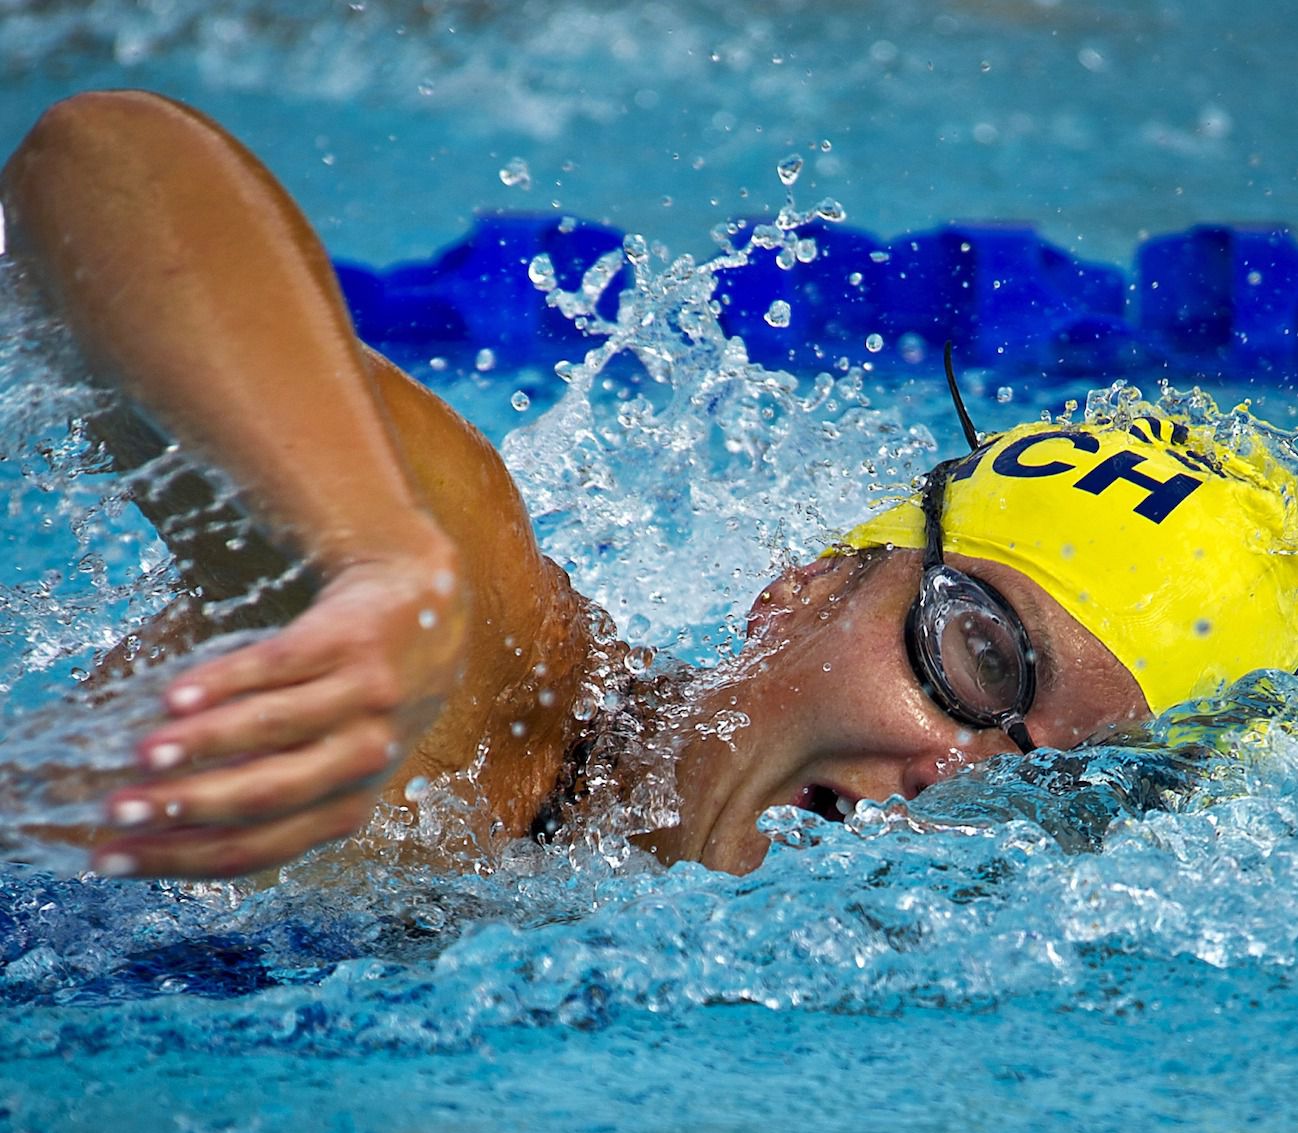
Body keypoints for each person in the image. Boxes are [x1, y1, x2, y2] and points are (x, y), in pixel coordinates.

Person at [2, 90, 1295, 883]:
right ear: (800, 590)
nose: (960, 777)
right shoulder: (472, 669)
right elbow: (101, 168)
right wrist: (371, 558)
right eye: (975, 660)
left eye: (1064, 790)